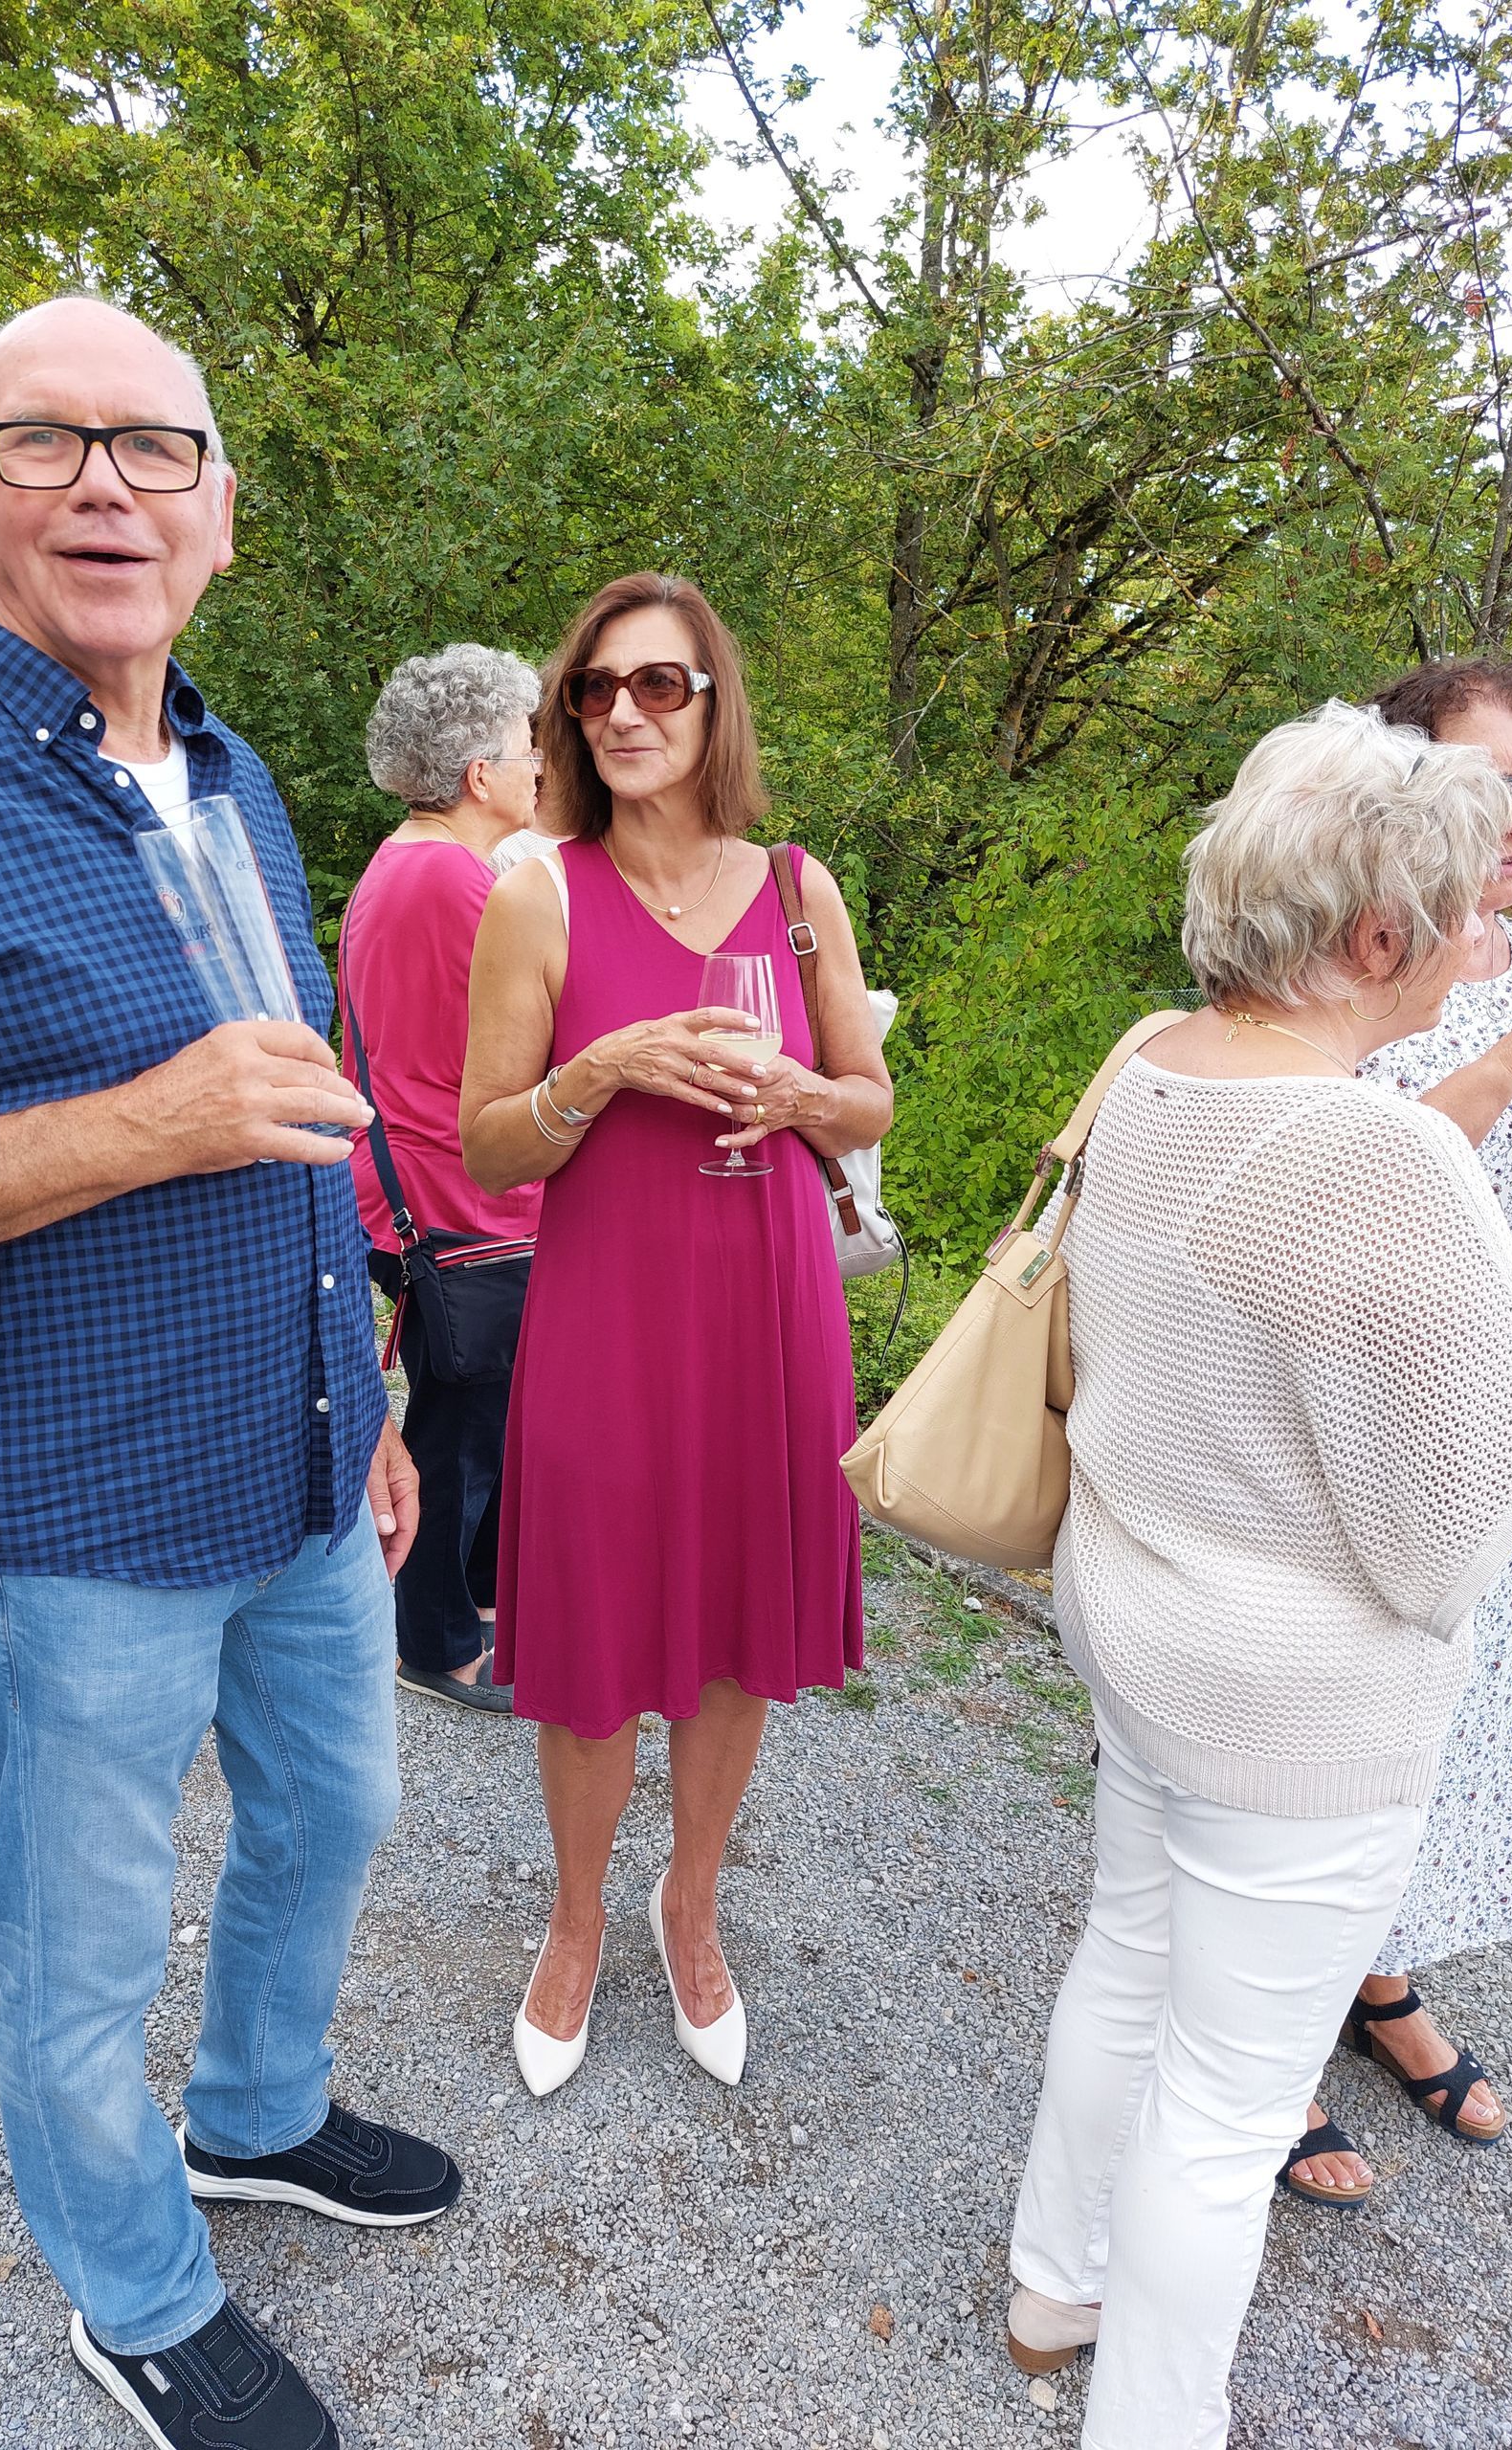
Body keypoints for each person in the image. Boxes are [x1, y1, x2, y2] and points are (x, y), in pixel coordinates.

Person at [0, 295, 459, 2450]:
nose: (108, 485)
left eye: (157, 448)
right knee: (80, 1958)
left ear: (221, 513)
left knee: (338, 1809)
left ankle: (257, 2113)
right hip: (73, 1515)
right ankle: (135, 2291)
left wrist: (373, 1390)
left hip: (302, 1466)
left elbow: (297, 1116)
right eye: (45, 442)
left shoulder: (231, 773)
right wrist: (134, 1125)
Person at [1003, 701, 1512, 2448]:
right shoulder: (1375, 1157)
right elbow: (1476, 1530)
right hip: (1291, 1712)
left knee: (1127, 1958)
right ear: (1380, 936)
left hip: (1140, 1625)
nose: (1478, 940)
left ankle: (1053, 2287)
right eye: (1459, 912)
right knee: (1231, 2108)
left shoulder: (1159, 1058)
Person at [459, 570, 893, 2096]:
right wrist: (603, 1073)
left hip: (767, 1305)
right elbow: (490, 1147)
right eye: (594, 689)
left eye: (658, 685)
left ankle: (689, 1904)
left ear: (715, 706)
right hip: (606, 1310)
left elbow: (866, 1101)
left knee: (733, 1632)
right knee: (590, 1635)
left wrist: (806, 1097)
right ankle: (576, 1919)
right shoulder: (538, 894)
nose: (623, 713)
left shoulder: (797, 889)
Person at [1285, 656, 1512, 2203]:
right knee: (1332, 1741)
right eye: (1483, 778)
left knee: (1457, 1736)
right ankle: (1270, 2040)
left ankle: (1378, 1981)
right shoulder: (1354, 957)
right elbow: (1353, 1184)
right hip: (1369, 1419)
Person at [342, 644, 544, 1714]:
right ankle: (435, 1645)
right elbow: (539, 1033)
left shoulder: (409, 861)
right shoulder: (456, 880)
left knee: (485, 1416)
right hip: (456, 1204)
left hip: (425, 1189)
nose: (541, 766)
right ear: (479, 773)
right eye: (527, 746)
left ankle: (476, 1604)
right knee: (460, 1430)